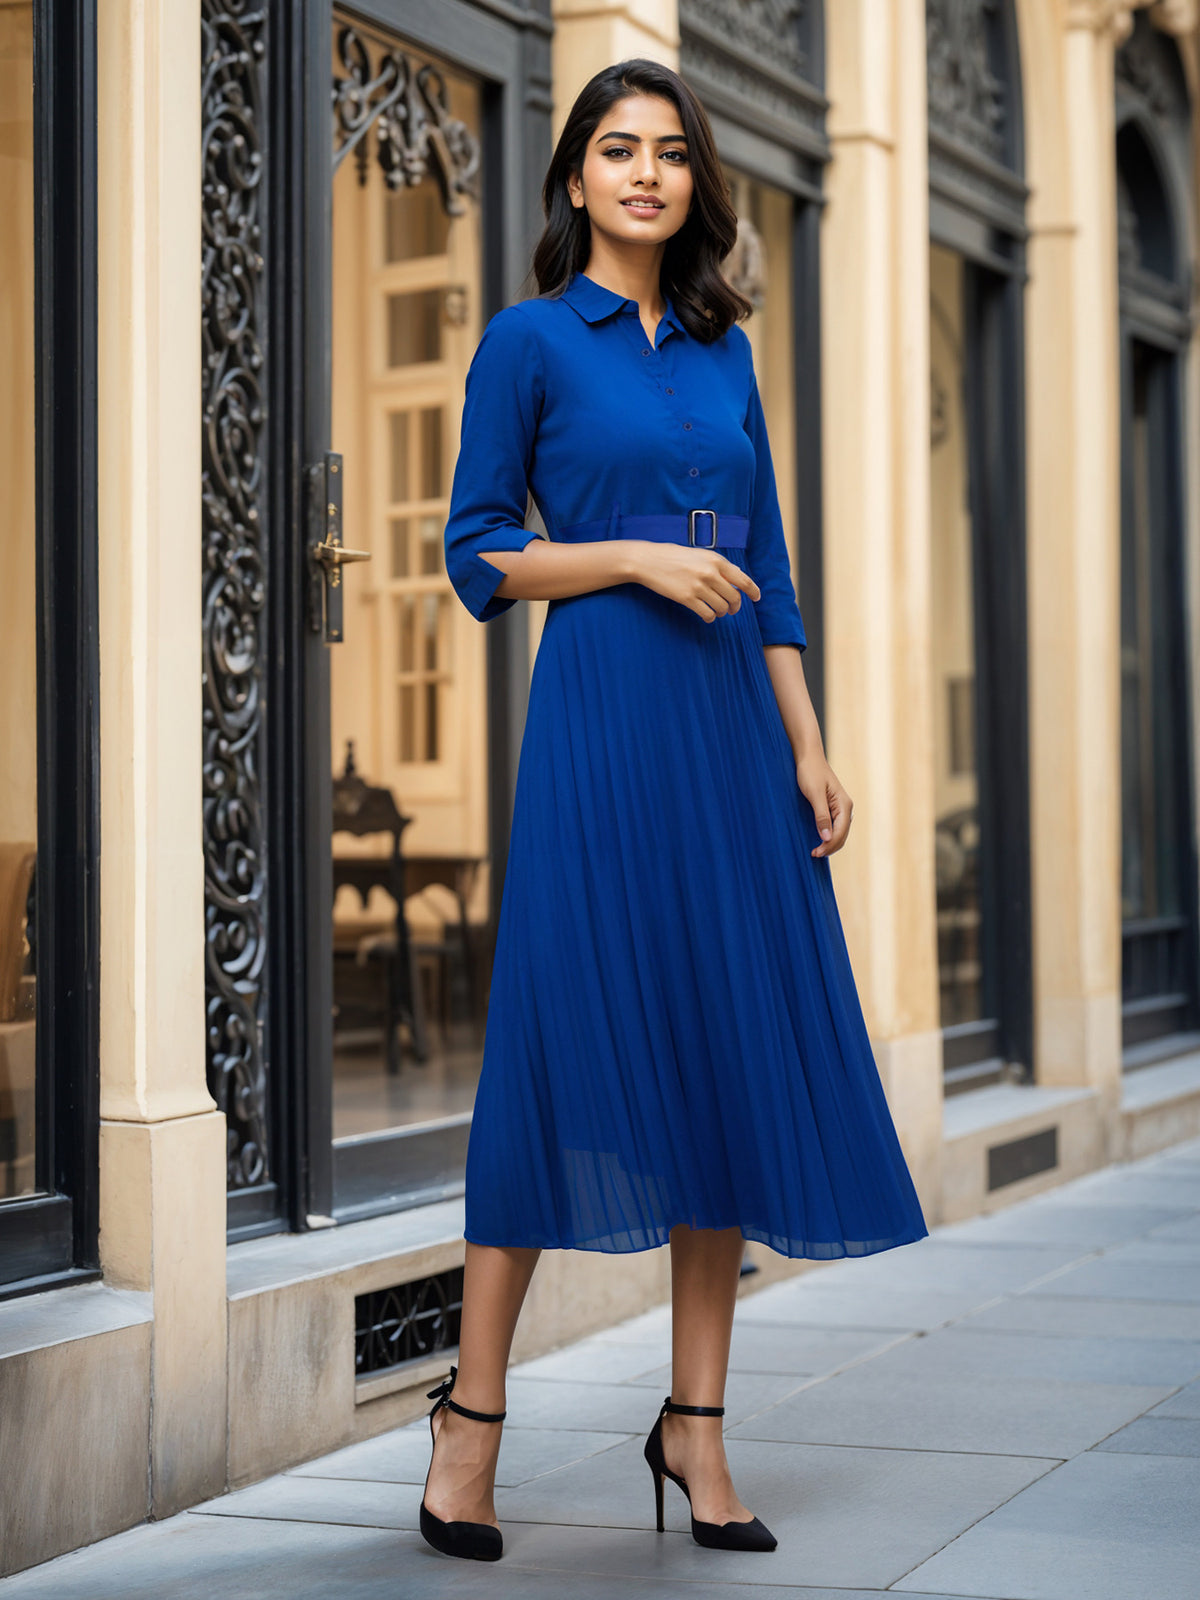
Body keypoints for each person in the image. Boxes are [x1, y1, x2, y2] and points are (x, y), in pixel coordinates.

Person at [420, 57, 929, 1564]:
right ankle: (471, 1424)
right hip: (600, 724)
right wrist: (633, 555)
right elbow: (478, 551)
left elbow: (769, 565)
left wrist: (810, 746)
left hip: (729, 738)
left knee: (723, 1058)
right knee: (551, 1050)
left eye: (671, 154)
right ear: (574, 178)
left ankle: (697, 1430)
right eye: (618, 151)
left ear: (694, 184)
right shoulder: (527, 343)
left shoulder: (729, 356)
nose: (647, 173)